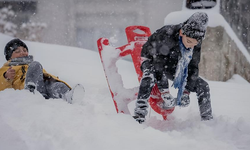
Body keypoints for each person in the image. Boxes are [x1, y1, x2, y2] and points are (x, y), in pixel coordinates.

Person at [134, 12, 213, 123]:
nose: (191, 46)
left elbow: (193, 66)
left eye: (194, 44)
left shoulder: (195, 41)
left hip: (173, 64)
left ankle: (207, 121)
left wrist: (186, 91)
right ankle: (139, 115)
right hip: (152, 59)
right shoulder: (167, 35)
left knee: (203, 85)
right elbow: (158, 64)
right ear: (181, 33)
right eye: (189, 41)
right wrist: (165, 92)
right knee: (150, 75)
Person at [0, 38, 84, 103]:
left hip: (43, 85)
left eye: (25, 50)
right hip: (30, 87)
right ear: (10, 56)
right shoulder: (7, 68)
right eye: (18, 51)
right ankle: (30, 91)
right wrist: (6, 77)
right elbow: (1, 86)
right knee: (36, 65)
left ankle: (68, 95)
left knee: (56, 86)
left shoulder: (30, 64)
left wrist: (53, 79)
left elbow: (44, 74)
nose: (22, 53)